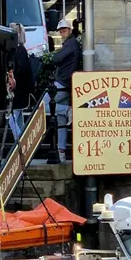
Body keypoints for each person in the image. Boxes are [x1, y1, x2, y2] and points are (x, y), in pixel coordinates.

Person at [51, 19, 82, 163]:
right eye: (60, 31)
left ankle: (69, 110)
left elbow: (56, 58)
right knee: (60, 120)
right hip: (68, 84)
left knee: (44, 107)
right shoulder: (71, 43)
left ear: (70, 31)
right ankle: (61, 151)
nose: (62, 33)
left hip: (62, 83)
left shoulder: (70, 44)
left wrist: (54, 56)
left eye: (64, 30)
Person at [7, 23, 35, 136]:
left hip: (19, 90)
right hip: (23, 89)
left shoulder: (18, 50)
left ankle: (20, 143)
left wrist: (13, 77)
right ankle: (24, 139)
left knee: (12, 119)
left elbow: (22, 69)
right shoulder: (22, 49)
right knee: (19, 118)